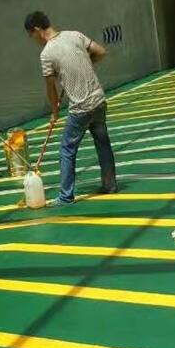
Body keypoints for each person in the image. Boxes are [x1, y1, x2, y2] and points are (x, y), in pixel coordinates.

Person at [24, 11, 117, 204]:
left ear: (37, 30)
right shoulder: (75, 35)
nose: (33, 40)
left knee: (67, 149)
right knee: (103, 144)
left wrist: (54, 112)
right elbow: (100, 51)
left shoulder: (46, 54)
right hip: (99, 101)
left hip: (81, 107)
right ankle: (110, 185)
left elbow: (50, 88)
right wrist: (87, 63)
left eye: (31, 35)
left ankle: (66, 196)